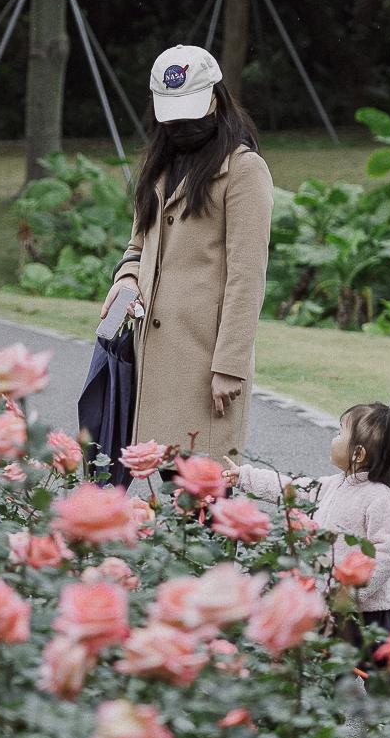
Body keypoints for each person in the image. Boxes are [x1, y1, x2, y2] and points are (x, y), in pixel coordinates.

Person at [100, 43, 274, 467]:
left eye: (190, 109)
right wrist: (125, 279)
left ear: (216, 98)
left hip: (205, 363)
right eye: (171, 112)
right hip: (152, 356)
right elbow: (137, 244)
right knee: (164, 490)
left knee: (206, 493)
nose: (181, 123)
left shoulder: (244, 170)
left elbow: (247, 276)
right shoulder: (160, 164)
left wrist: (230, 365)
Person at [226, 399, 390, 652]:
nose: (334, 438)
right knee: (329, 672)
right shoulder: (333, 486)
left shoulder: (380, 499)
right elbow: (290, 488)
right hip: (330, 608)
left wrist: (349, 594)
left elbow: (389, 550)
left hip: (371, 616)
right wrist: (246, 477)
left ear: (358, 454)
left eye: (340, 432)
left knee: (382, 679)